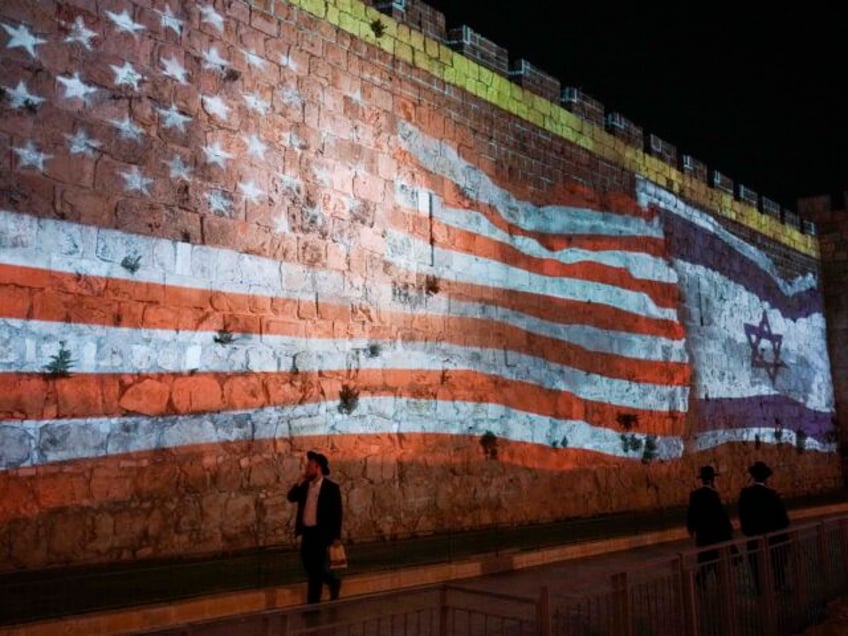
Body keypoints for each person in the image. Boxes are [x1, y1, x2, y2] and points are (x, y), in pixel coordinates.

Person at [287, 450, 343, 603]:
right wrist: (299, 481)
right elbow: (291, 498)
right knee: (309, 566)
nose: (306, 470)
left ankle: (313, 605)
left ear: (318, 468)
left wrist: (336, 536)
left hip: (321, 534)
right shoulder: (305, 487)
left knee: (316, 569)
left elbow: (337, 513)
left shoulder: (331, 488)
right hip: (307, 533)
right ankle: (332, 581)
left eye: (309, 467)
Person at [738, 461, 790, 593]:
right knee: (777, 563)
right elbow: (783, 519)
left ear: (753, 477)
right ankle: (779, 585)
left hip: (754, 536)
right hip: (774, 537)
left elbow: (742, 515)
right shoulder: (772, 494)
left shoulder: (745, 494)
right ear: (766, 478)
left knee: (755, 563)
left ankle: (760, 588)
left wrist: (748, 530)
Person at [686, 465, 734, 588]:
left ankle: (702, 580)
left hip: (702, 534)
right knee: (716, 559)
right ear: (712, 480)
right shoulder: (714, 495)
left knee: (705, 559)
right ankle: (716, 584)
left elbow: (691, 513)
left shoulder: (695, 494)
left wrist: (692, 528)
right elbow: (720, 516)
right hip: (715, 534)